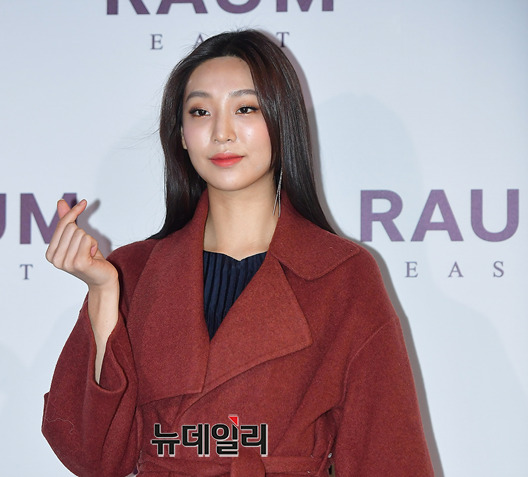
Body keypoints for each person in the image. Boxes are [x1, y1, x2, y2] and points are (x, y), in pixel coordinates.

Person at [42, 30, 434, 477]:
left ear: (281, 122)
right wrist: (102, 293)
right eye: (200, 112)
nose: (222, 133)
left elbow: (387, 455)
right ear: (181, 135)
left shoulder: (341, 274)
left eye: (245, 108)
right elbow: (92, 457)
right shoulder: (131, 271)